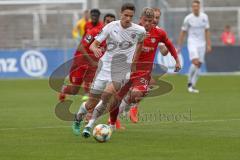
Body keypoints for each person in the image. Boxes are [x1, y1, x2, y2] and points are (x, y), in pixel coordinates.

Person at [72, 3, 146, 137]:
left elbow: (140, 42)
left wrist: (134, 60)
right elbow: (94, 44)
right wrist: (95, 49)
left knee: (107, 95)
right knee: (91, 103)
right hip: (105, 67)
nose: (128, 18)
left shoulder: (139, 30)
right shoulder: (110, 27)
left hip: (122, 69)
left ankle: (90, 125)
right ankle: (78, 119)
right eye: (125, 15)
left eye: (131, 16)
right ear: (121, 14)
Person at [108, 7, 181, 128]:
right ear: (141, 19)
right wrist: (137, 40)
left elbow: (169, 45)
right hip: (128, 68)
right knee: (115, 98)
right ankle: (109, 121)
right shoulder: (133, 30)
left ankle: (124, 111)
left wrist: (177, 60)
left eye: (150, 20)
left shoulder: (159, 33)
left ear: (153, 20)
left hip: (143, 72)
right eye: (145, 20)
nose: (147, 23)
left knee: (136, 95)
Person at [58, 13, 116, 103]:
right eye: (107, 22)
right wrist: (91, 61)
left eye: (112, 22)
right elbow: (81, 47)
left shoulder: (114, 37)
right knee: (74, 90)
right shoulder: (93, 32)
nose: (109, 24)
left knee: (95, 90)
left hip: (95, 66)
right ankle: (64, 89)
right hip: (83, 63)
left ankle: (91, 112)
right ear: (103, 23)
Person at [177, 0, 212, 93]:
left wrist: (208, 44)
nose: (195, 8)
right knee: (195, 62)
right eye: (194, 6)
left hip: (202, 43)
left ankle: (192, 85)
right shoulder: (188, 18)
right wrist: (179, 46)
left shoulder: (205, 17)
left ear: (199, 7)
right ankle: (189, 83)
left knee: (199, 64)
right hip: (192, 42)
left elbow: (207, 31)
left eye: (197, 6)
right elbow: (183, 32)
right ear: (192, 8)